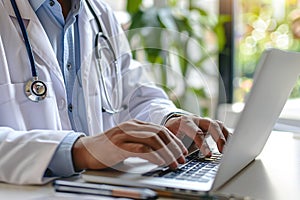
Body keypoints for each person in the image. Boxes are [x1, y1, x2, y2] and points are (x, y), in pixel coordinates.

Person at [0, 0, 230, 184]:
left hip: (97, 188)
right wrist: (79, 150)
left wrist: (169, 119)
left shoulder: (100, 14)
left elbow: (135, 93)